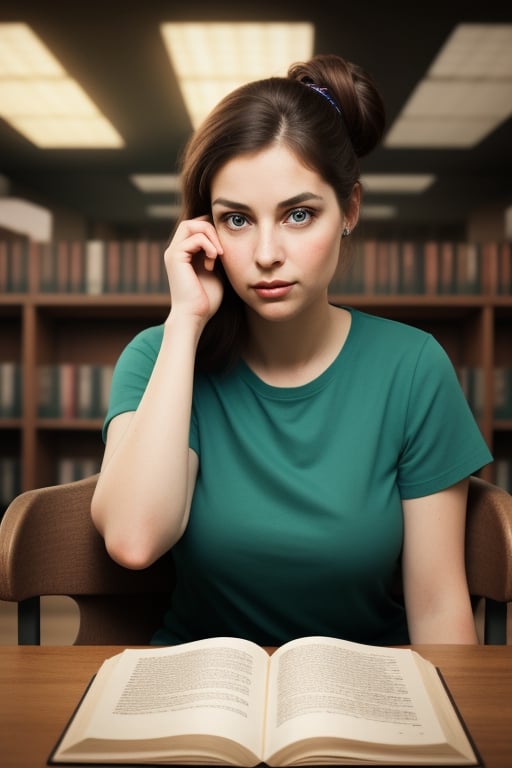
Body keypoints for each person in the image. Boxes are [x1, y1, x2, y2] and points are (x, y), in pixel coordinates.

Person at [91, 53, 492, 647]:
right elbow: (133, 539)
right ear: (205, 229)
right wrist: (186, 322)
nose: (268, 252)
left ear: (349, 209)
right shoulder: (160, 357)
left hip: (366, 694)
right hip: (202, 696)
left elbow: (437, 608)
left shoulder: (413, 368)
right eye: (237, 220)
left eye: (298, 214)